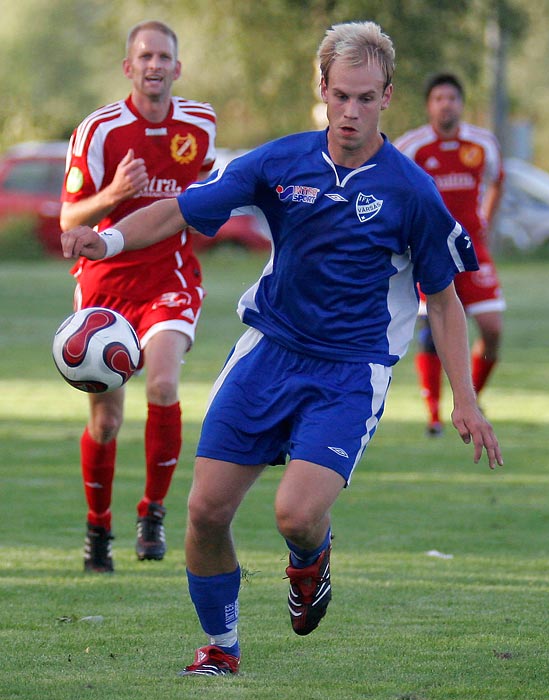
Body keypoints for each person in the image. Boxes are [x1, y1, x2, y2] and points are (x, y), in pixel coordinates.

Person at [61, 21, 503, 674]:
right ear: (322, 90)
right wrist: (110, 241)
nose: (350, 111)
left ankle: (310, 559)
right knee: (205, 512)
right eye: (340, 96)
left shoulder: (411, 190)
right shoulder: (280, 162)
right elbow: (183, 207)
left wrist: (464, 400)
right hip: (267, 354)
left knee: (294, 515)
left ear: (387, 95)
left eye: (365, 97)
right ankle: (222, 648)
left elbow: (443, 299)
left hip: (350, 372)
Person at [59, 20, 217, 573]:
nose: (154, 65)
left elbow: (202, 194)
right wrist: (116, 194)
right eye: (144, 56)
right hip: (105, 286)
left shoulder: (200, 125)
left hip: (170, 276)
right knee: (105, 422)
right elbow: (69, 218)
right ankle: (98, 526)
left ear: (177, 67)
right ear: (129, 67)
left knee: (165, 382)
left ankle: (152, 512)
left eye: (164, 57)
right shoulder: (100, 130)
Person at [394, 73, 505, 436]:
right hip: (432, 251)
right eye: (439, 98)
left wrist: (485, 218)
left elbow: (497, 180)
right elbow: (393, 188)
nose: (446, 104)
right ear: (430, 105)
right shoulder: (412, 146)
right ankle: (434, 415)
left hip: (474, 251)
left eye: (452, 98)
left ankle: (470, 399)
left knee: (492, 329)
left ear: (461, 103)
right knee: (432, 331)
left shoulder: (482, 144)